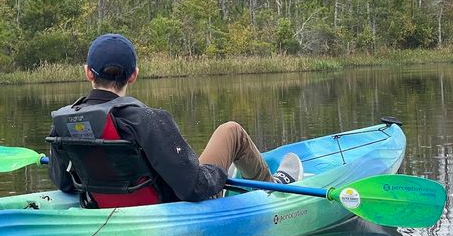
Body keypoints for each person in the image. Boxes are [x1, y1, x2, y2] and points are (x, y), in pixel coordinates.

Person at [47, 33, 302, 206]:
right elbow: (193, 188)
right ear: (134, 75)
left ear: (87, 73)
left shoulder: (64, 122)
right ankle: (272, 188)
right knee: (231, 131)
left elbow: (65, 184)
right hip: (170, 209)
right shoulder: (147, 119)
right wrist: (219, 173)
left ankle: (249, 179)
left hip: (107, 205)